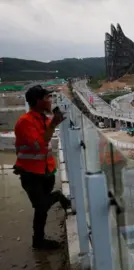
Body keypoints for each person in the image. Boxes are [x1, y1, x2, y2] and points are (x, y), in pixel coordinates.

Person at [14, 85, 71, 250]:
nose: (50, 101)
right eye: (47, 98)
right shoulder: (25, 122)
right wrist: (53, 124)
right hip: (31, 173)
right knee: (41, 206)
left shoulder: (42, 119)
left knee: (42, 209)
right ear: (38, 101)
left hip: (46, 172)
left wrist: (57, 120)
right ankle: (38, 240)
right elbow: (39, 145)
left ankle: (38, 240)